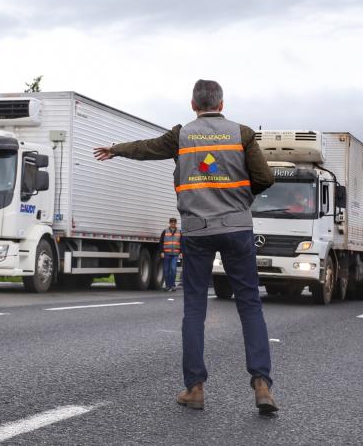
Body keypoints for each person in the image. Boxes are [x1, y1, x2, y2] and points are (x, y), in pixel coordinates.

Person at [94, 79, 278, 414]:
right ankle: (262, 384)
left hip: (196, 231)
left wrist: (116, 148)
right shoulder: (243, 134)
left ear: (194, 104)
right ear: (221, 104)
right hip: (237, 228)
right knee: (250, 306)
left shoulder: (181, 135)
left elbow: (147, 148)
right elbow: (265, 178)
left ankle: (195, 389)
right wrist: (238, 197)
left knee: (195, 309)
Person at [159, 218, 182, 291]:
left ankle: (172, 285)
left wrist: (181, 252)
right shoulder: (165, 231)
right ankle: (167, 285)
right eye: (171, 222)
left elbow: (182, 243)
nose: (173, 224)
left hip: (175, 254)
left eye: (174, 222)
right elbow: (161, 242)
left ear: (176, 223)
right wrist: (161, 252)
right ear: (169, 223)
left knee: (173, 269)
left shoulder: (179, 232)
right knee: (166, 270)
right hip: (166, 253)